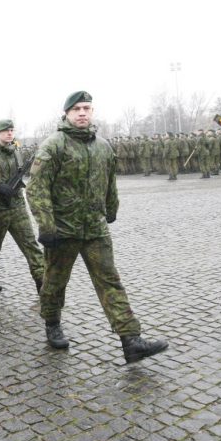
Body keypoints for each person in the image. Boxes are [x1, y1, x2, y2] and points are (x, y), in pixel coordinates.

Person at [26, 90, 167, 363]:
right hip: (62, 231)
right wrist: (46, 225)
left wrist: (111, 209)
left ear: (92, 112)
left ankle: (131, 340)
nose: (82, 113)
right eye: (76, 108)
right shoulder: (54, 145)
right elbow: (36, 188)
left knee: (110, 282)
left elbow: (109, 182)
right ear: (66, 113)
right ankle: (52, 323)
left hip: (95, 230)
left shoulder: (103, 146)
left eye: (87, 108)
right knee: (55, 282)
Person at [0, 119, 45, 293]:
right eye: (6, 131)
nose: (10, 133)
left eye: (12, 130)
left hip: (17, 206)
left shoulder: (16, 152)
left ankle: (42, 281)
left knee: (30, 244)